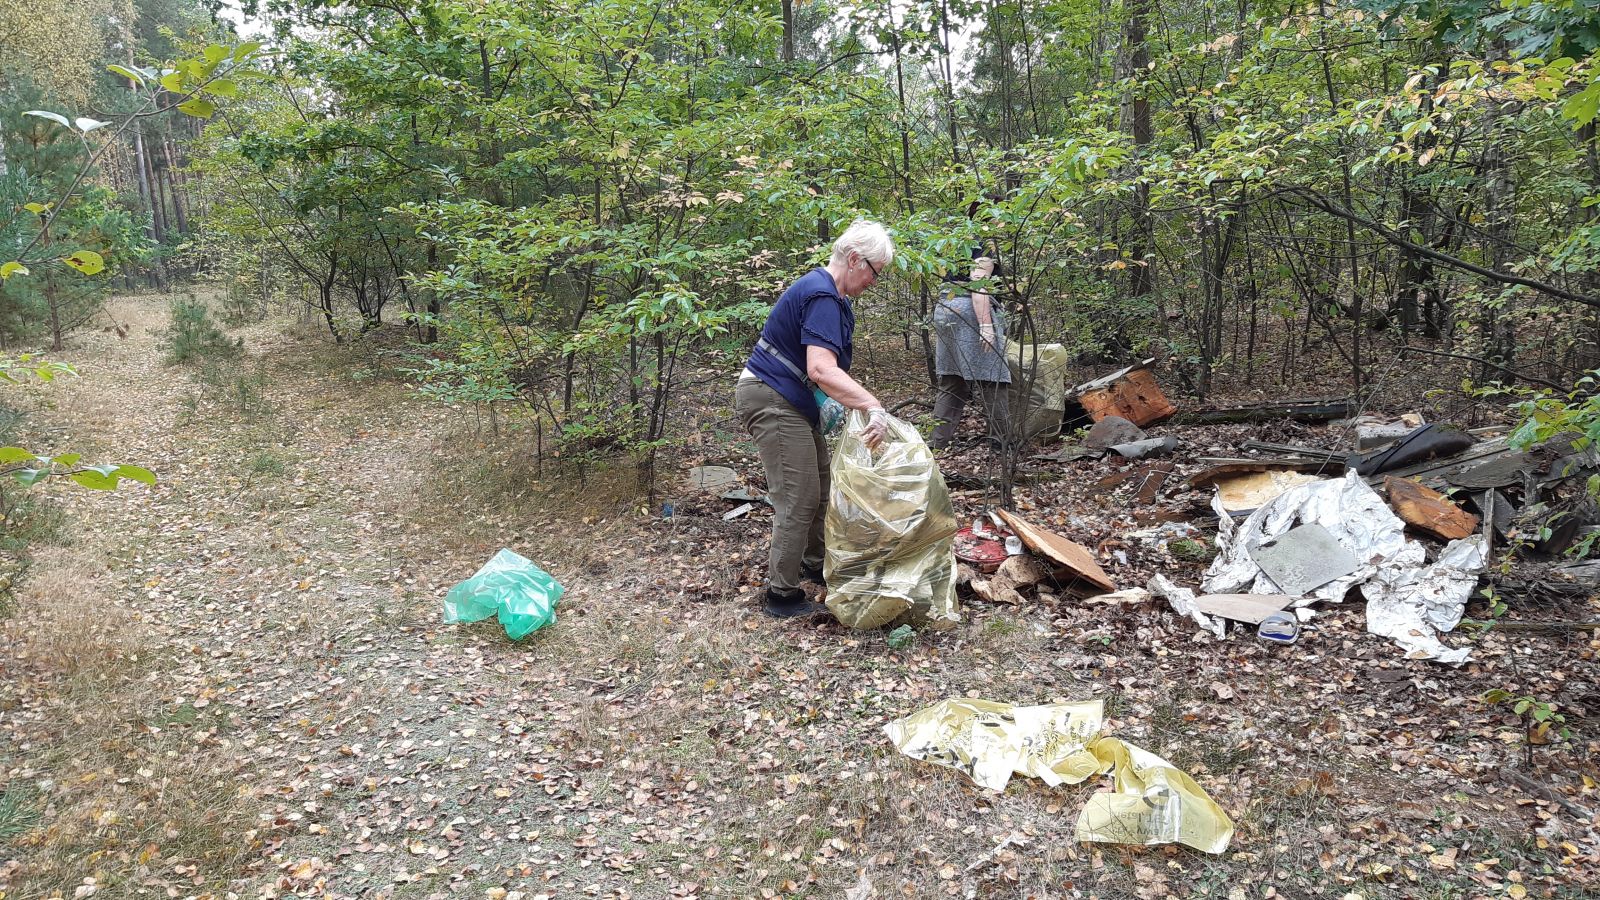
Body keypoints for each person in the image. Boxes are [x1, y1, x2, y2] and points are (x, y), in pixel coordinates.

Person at [735, 220, 894, 618]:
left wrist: (839, 405)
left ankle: (813, 564)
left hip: (793, 399)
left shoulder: (833, 299)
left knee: (821, 486)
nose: (875, 281)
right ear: (855, 259)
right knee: (798, 497)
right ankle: (782, 594)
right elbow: (821, 368)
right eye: (875, 271)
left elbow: (817, 371)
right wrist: (872, 406)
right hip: (772, 398)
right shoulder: (822, 294)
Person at [930, 252, 1011, 451]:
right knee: (994, 378)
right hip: (970, 309)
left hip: (946, 308)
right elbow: (978, 284)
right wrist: (986, 325)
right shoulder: (986, 245)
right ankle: (1000, 445)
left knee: (952, 380)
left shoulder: (963, 240)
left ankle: (936, 444)